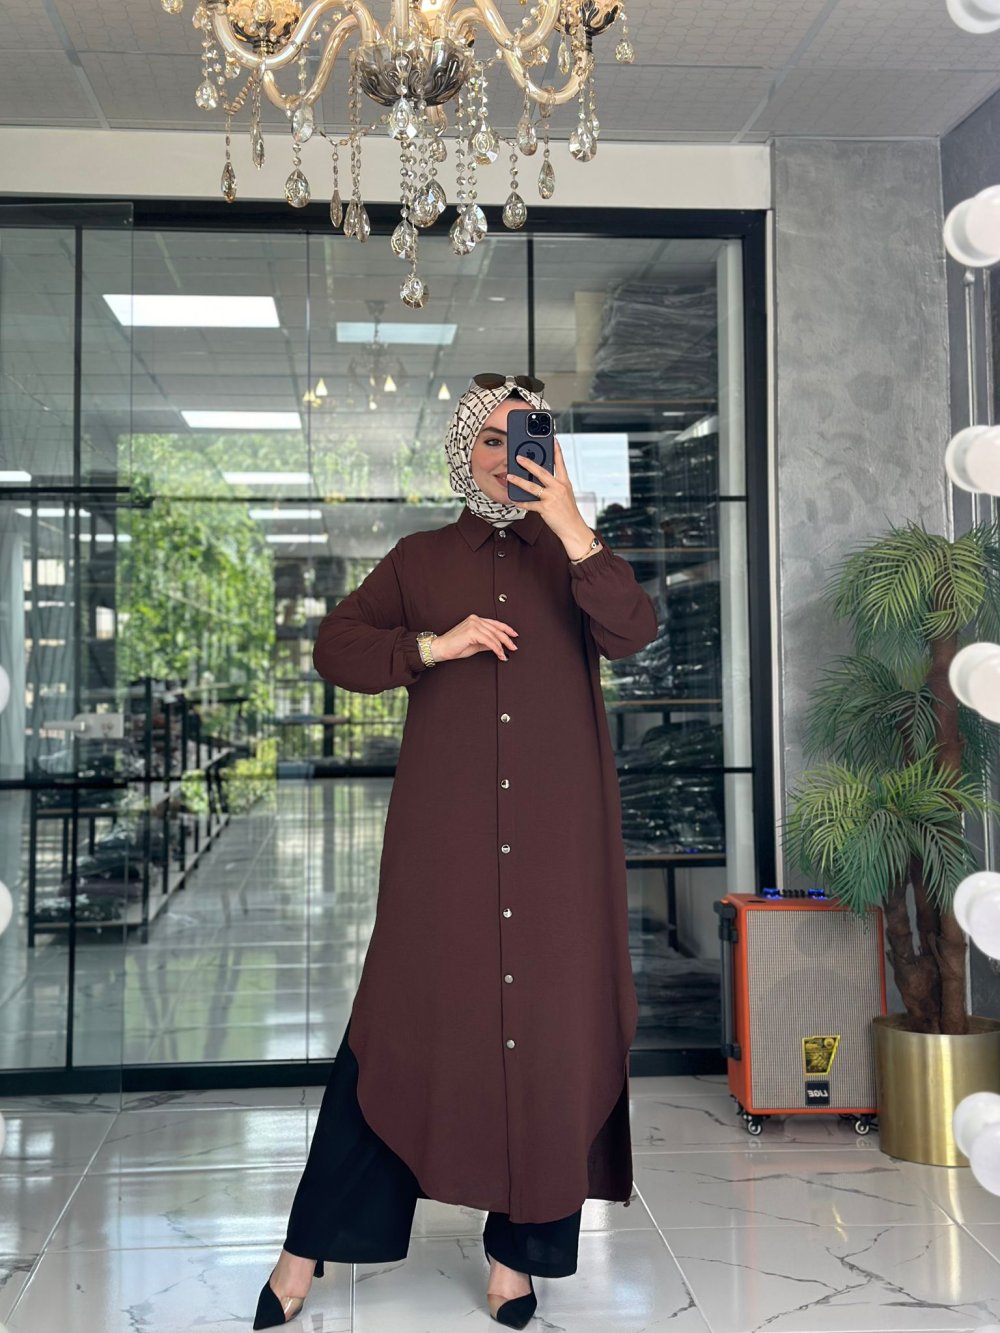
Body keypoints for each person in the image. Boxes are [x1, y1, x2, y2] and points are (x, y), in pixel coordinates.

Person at [253, 373, 659, 1330]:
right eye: (489, 439)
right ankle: (308, 1243)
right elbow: (336, 647)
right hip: (446, 849)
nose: (507, 456)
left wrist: (572, 523)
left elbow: (634, 633)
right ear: (461, 455)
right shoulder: (420, 559)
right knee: (397, 1029)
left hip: (557, 851)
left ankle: (518, 1260)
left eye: (525, 436)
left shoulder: (579, 557)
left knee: (550, 1036)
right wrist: (432, 648)